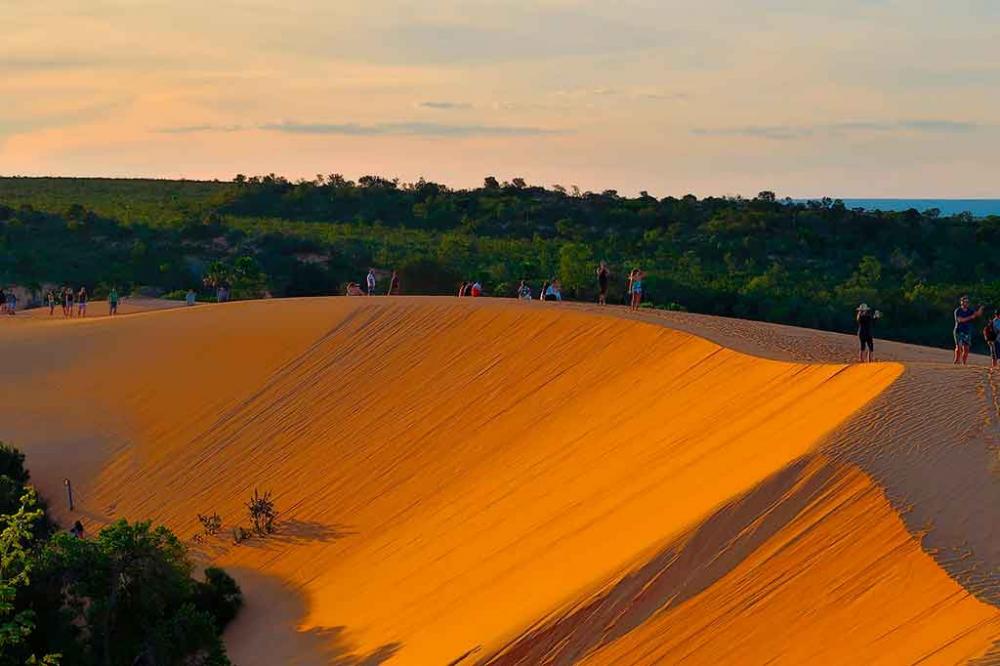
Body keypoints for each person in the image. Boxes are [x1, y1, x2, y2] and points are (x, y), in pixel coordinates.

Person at [954, 295, 983, 365]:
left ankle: (964, 362)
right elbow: (960, 320)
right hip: (959, 331)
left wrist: (981, 308)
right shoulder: (958, 310)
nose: (966, 303)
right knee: (959, 347)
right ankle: (957, 361)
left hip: (967, 331)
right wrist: (971, 317)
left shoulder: (970, 310)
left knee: (966, 348)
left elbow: (977, 314)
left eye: (967, 302)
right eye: (964, 302)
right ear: (961, 302)